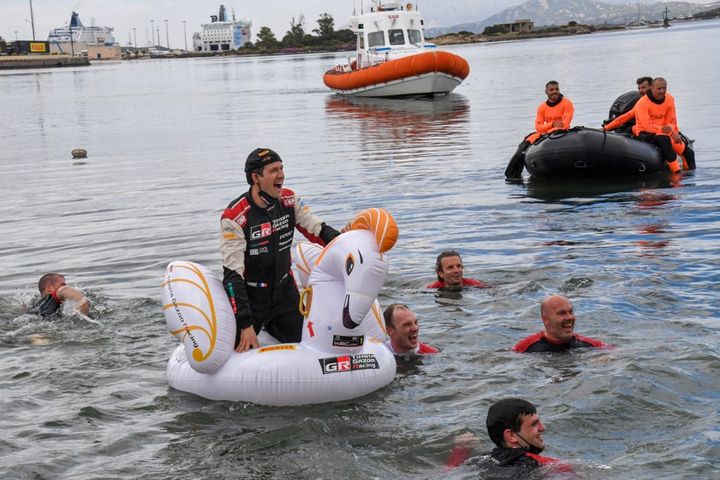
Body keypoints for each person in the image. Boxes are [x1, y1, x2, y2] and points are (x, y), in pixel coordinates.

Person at [221, 148, 341, 352]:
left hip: (284, 292)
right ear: (255, 177)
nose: (282, 174)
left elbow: (317, 229)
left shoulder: (289, 199)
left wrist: (346, 242)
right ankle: (260, 326)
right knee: (233, 352)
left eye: (282, 168)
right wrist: (246, 323)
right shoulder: (235, 216)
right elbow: (233, 275)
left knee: (311, 346)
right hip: (251, 297)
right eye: (274, 170)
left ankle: (273, 326)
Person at [446, 398, 572, 475]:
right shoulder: (547, 465)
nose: (543, 427)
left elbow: (447, 473)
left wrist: (460, 450)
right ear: (511, 435)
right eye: (534, 424)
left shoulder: (481, 460)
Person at [604, 77, 695, 172]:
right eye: (659, 89)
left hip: (663, 131)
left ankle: (691, 177)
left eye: (664, 88)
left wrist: (674, 132)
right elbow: (646, 126)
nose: (662, 91)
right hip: (646, 132)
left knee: (689, 154)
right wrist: (606, 128)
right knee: (665, 140)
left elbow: (671, 120)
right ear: (652, 88)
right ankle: (676, 176)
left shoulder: (669, 99)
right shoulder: (642, 103)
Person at [505, 81, 575, 178]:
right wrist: (552, 124)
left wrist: (550, 129)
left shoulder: (567, 103)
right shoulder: (542, 108)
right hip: (545, 133)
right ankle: (512, 175)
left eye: (557, 89)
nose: (554, 92)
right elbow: (538, 127)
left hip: (561, 132)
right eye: (551, 90)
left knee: (556, 130)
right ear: (546, 92)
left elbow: (565, 124)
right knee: (525, 143)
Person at [513, 295, 610, 353]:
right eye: (562, 313)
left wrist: (606, 357)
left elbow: (617, 352)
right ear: (546, 319)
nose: (569, 318)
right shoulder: (525, 347)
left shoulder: (589, 345)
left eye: (571, 312)